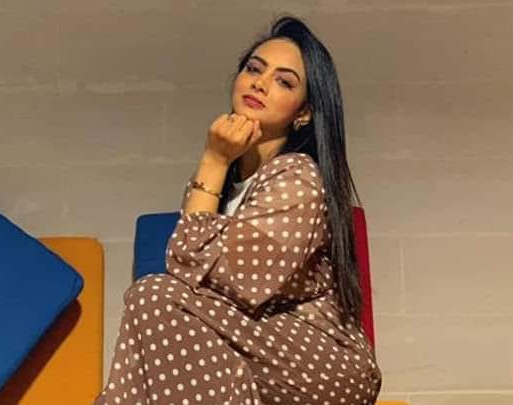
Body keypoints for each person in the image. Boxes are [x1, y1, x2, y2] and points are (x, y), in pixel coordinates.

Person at [95, 14, 382, 405]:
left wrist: (213, 160)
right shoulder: (223, 185)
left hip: (325, 366)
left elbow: (223, 280)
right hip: (251, 352)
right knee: (155, 327)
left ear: (303, 113)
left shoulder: (298, 176)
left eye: (284, 81)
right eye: (254, 69)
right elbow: (191, 276)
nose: (260, 83)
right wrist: (217, 168)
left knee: (154, 296)